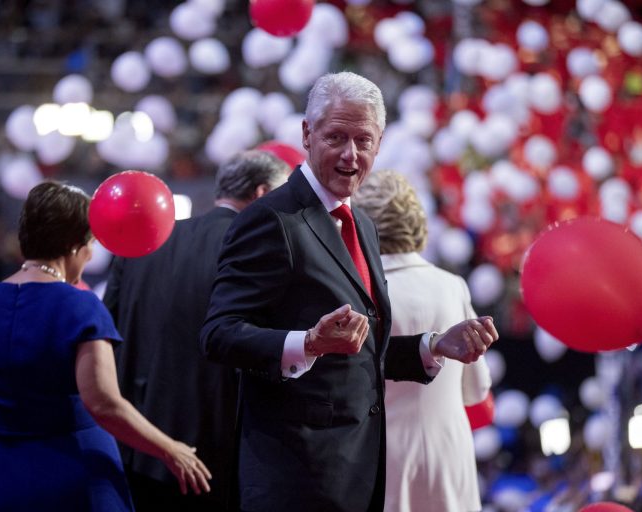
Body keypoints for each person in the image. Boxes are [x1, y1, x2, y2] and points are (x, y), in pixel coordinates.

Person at [200, 71, 499, 512]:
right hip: (296, 480)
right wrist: (307, 344)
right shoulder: (270, 220)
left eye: (364, 140)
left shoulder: (362, 225)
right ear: (307, 133)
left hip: (357, 475)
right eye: (336, 137)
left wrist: (435, 346)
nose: (350, 154)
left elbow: (361, 353)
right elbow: (219, 333)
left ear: (379, 143)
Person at [0, 181, 212, 512]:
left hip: (2, 480)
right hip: (77, 480)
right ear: (74, 246)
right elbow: (103, 403)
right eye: (90, 243)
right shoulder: (81, 307)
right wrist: (170, 449)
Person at [103, 150, 290, 511]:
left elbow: (107, 337)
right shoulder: (261, 251)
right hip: (217, 460)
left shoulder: (146, 244)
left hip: (134, 449)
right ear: (264, 194)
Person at [353, 170, 492, 512]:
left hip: (382, 455)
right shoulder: (451, 284)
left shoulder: (356, 294)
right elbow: (477, 390)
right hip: (448, 449)